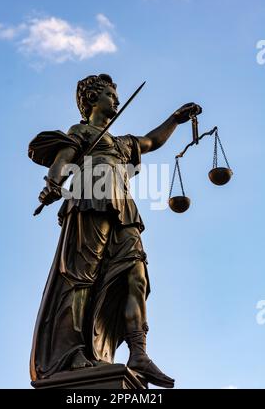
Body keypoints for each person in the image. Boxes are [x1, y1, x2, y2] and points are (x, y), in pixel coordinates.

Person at [28, 74, 202, 388]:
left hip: (124, 211)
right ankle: (71, 352)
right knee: (82, 280)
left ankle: (139, 352)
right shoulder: (81, 132)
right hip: (90, 204)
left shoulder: (122, 144)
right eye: (111, 95)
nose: (117, 101)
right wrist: (52, 184)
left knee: (136, 276)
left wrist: (175, 120)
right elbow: (63, 159)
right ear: (92, 99)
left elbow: (151, 141)